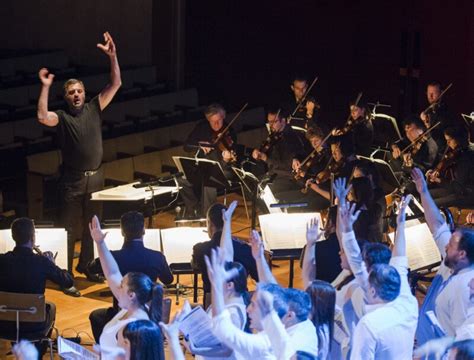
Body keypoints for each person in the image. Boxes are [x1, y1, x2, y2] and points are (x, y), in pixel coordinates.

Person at [37, 32, 122, 296]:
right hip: (72, 180)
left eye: (79, 91)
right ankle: (66, 274)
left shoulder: (95, 107)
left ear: (85, 94)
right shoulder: (61, 117)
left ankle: (86, 264)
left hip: (95, 177)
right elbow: (42, 116)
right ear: (67, 97)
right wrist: (46, 86)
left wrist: (113, 56)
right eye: (72, 92)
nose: (76, 95)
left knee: (91, 225)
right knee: (69, 228)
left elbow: (116, 83)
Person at [339, 196, 418, 359]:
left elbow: (356, 264)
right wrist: (400, 223)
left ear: (373, 292)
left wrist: (347, 230)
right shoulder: (409, 303)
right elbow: (399, 258)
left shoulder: (369, 325)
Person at [87, 211, 173, 342]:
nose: (119, 287)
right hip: (148, 311)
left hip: (118, 312)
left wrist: (100, 244)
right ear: (143, 230)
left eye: (122, 285)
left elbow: (95, 269)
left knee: (96, 316)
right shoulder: (157, 257)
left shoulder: (114, 257)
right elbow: (169, 279)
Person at [411, 168, 474, 346]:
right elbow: (437, 224)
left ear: (462, 254)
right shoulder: (451, 262)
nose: (446, 246)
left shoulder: (467, 288)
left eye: (451, 245)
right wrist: (423, 191)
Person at [0, 217, 73, 357]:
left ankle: (19, 346)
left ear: (13, 237)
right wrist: (52, 264)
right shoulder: (42, 262)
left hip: (4, 324)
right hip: (34, 326)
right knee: (50, 306)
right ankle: (39, 349)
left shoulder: (2, 260)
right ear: (32, 238)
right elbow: (68, 282)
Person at [191, 202, 258, 307]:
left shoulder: (200, 249)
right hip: (241, 301)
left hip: (212, 302)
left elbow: (195, 266)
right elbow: (258, 277)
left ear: (210, 224)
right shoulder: (245, 249)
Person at [180, 103, 240, 218]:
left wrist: (226, 159)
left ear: (223, 117)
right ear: (208, 120)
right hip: (203, 168)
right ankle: (194, 209)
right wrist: (199, 145)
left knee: (210, 180)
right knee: (181, 179)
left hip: (223, 169)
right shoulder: (201, 127)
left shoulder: (229, 131)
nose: (217, 125)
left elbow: (232, 159)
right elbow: (186, 146)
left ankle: (209, 217)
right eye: (213, 121)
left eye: (219, 120)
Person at [251, 108, 307, 196]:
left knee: (265, 191)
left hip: (287, 176)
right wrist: (258, 154)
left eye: (274, 122)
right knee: (254, 182)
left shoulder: (291, 138)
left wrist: (266, 158)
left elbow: (285, 165)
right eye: (269, 122)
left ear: (283, 121)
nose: (271, 125)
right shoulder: (274, 135)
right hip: (275, 173)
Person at [426, 126, 474, 208]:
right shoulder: (460, 151)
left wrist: (438, 180)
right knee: (426, 196)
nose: (447, 143)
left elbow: (458, 187)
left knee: (431, 204)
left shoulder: (466, 157)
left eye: (449, 140)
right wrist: (435, 173)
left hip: (466, 195)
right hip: (456, 189)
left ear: (459, 139)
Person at [420, 81, 457, 154]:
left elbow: (442, 139)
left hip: (440, 152)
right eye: (428, 93)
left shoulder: (447, 112)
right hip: (426, 152)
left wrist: (428, 126)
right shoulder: (426, 110)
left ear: (441, 93)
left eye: (434, 93)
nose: (430, 96)